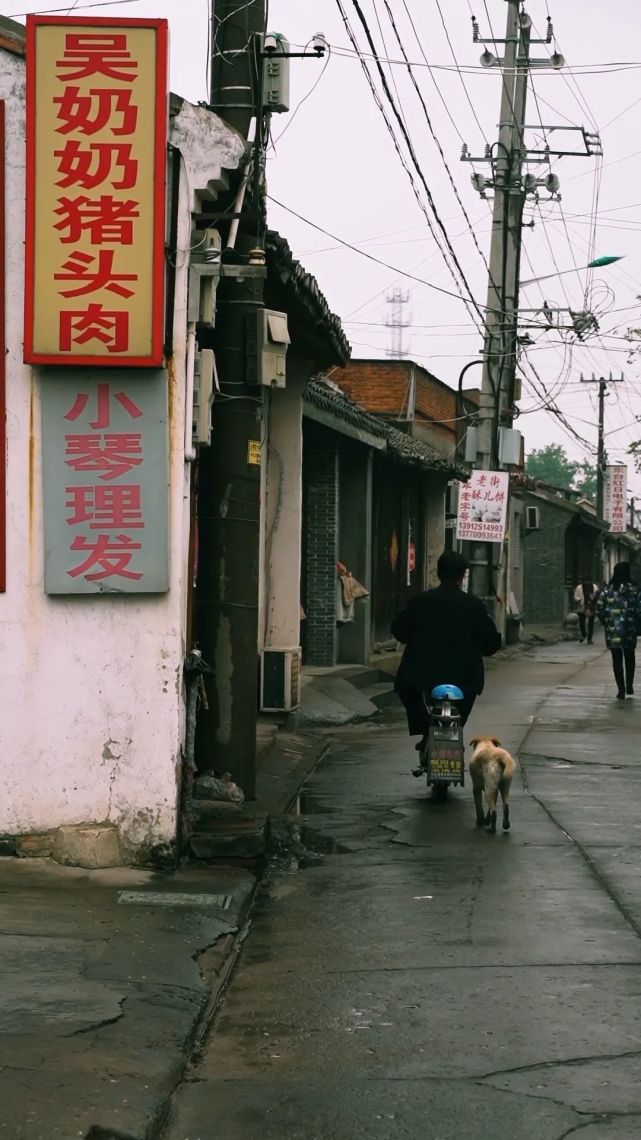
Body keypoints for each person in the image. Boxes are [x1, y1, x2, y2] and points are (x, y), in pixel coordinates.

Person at [391, 550, 502, 747]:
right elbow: (491, 644)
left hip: (421, 677)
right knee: (465, 701)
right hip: (465, 679)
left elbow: (400, 631)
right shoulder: (474, 606)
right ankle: (454, 729)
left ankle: (426, 729)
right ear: (462, 576)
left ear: (439, 573)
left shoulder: (420, 602)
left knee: (404, 687)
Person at [596, 561, 641, 700]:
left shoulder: (607, 590)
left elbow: (599, 608)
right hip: (630, 629)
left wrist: (607, 621)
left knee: (616, 659)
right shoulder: (634, 590)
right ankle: (629, 684)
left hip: (613, 630)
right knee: (629, 657)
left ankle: (620, 689)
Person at [573, 574, 597, 644]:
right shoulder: (579, 587)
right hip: (582, 606)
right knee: (581, 623)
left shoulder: (594, 587)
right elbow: (575, 596)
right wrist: (579, 599)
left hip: (591, 607)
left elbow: (597, 595)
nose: (587, 583)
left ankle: (589, 639)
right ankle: (584, 634)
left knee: (591, 624)